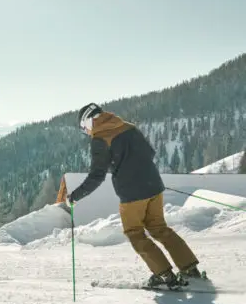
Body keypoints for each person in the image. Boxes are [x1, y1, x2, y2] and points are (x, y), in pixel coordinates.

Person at [66, 103, 202, 289]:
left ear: (88, 121)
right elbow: (150, 152)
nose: (87, 132)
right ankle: (189, 268)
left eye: (84, 128)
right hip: (153, 186)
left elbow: (97, 176)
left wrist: (74, 196)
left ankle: (163, 275)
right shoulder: (129, 126)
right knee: (159, 228)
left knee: (135, 232)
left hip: (132, 193)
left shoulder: (100, 138)